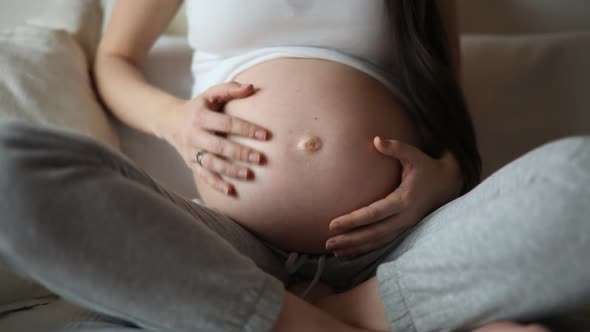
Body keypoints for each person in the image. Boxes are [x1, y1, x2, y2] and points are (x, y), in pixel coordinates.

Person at [0, 1, 588, 331]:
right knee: (10, 173)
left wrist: (446, 177)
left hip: (399, 248)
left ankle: (330, 316)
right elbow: (115, 59)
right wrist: (176, 121)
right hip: (233, 246)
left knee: (579, 182)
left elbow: (447, 112)